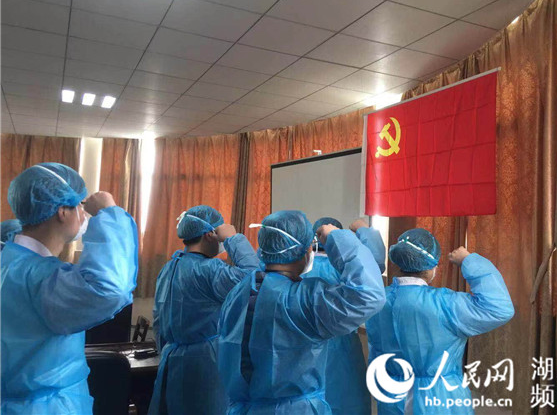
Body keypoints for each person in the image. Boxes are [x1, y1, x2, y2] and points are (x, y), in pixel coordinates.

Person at [1, 162, 138, 415]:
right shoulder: (40, 278)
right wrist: (109, 213)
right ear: (63, 211)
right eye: (80, 206)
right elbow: (110, 289)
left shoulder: (9, 262)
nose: (83, 216)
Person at [218, 210, 386, 415]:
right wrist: (337, 237)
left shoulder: (238, 292)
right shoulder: (304, 298)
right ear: (306, 250)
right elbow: (369, 294)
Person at [366, 228, 514, 415]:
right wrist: (468, 260)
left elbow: (376, 348)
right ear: (431, 267)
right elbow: (499, 308)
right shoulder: (445, 304)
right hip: (438, 398)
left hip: (392, 394)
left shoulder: (377, 300)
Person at [149, 205, 260, 415]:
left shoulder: (169, 267)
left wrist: (166, 352)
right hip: (204, 364)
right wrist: (233, 239)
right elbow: (253, 276)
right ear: (210, 235)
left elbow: (158, 319)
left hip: (171, 359)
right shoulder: (209, 270)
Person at [303, 216, 386, 415]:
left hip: (302, 351)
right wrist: (366, 231)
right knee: (346, 400)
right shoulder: (347, 269)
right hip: (343, 349)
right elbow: (374, 265)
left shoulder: (300, 267)